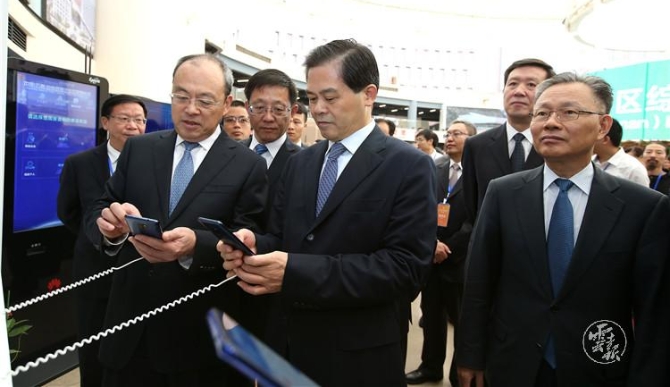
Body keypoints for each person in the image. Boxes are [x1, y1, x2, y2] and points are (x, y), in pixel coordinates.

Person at [219, 39, 437, 387]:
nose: (318, 109)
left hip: (358, 356)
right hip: (288, 348)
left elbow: (404, 268)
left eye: (330, 98)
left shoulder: (408, 166)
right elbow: (283, 237)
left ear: (368, 94)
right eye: (312, 98)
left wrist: (294, 273)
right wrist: (254, 245)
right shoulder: (301, 162)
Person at [457, 73, 670, 387]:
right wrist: (470, 355)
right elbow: (479, 281)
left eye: (569, 112)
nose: (551, 123)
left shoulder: (643, 206)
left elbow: (654, 310)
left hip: (600, 368)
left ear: (603, 126)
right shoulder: (503, 193)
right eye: (542, 113)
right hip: (512, 361)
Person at [84, 53, 268, 387]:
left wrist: (196, 245)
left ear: (226, 103)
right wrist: (109, 227)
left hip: (197, 340)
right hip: (130, 331)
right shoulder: (140, 149)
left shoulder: (248, 164)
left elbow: (250, 234)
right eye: (181, 97)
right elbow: (101, 205)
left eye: (204, 100)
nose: (191, 109)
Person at [57, 94, 147, 387]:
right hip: (92, 268)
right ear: (106, 122)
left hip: (140, 266)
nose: (133, 126)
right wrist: (98, 237)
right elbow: (68, 211)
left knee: (134, 349)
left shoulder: (153, 164)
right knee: (92, 344)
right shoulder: (79, 163)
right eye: (125, 119)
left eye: (139, 120)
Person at [406, 120, 477, 386]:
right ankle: (430, 367)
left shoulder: (478, 172)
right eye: (448, 133)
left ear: (472, 139)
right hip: (431, 255)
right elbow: (421, 208)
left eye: (457, 133)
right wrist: (432, 243)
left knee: (461, 321)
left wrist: (450, 248)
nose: (450, 137)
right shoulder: (435, 168)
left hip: (460, 260)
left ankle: (458, 374)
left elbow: (477, 218)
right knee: (432, 317)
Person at [240, 68, 302, 342]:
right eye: (259, 108)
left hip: (277, 291)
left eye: (278, 109)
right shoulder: (227, 156)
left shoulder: (306, 164)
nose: (268, 117)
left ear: (293, 111)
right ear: (247, 107)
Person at [462, 58, 555, 222]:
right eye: (512, 84)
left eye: (531, 85)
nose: (519, 91)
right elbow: (471, 207)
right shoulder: (476, 145)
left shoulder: (557, 145)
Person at [592, 118, 648, 187]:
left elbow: (642, 193)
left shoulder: (633, 169)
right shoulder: (588, 163)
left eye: (590, 135)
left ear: (605, 139)